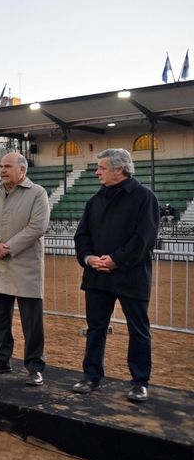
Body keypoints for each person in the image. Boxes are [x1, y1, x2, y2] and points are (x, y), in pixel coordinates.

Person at [73, 148, 159, 403]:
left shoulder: (145, 198)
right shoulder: (94, 201)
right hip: (97, 276)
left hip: (131, 276)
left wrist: (116, 261)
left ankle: (140, 382)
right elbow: (81, 236)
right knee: (95, 328)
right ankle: (90, 376)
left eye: (102, 167)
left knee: (138, 330)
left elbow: (144, 238)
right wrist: (89, 258)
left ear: (119, 169)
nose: (97, 172)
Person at [0, 153, 50, 385]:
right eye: (0, 166)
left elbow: (37, 227)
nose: (2, 170)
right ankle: (1, 361)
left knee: (32, 322)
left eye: (7, 166)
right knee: (0, 319)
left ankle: (34, 366)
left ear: (22, 170)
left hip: (25, 265)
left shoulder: (37, 193)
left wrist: (7, 247)